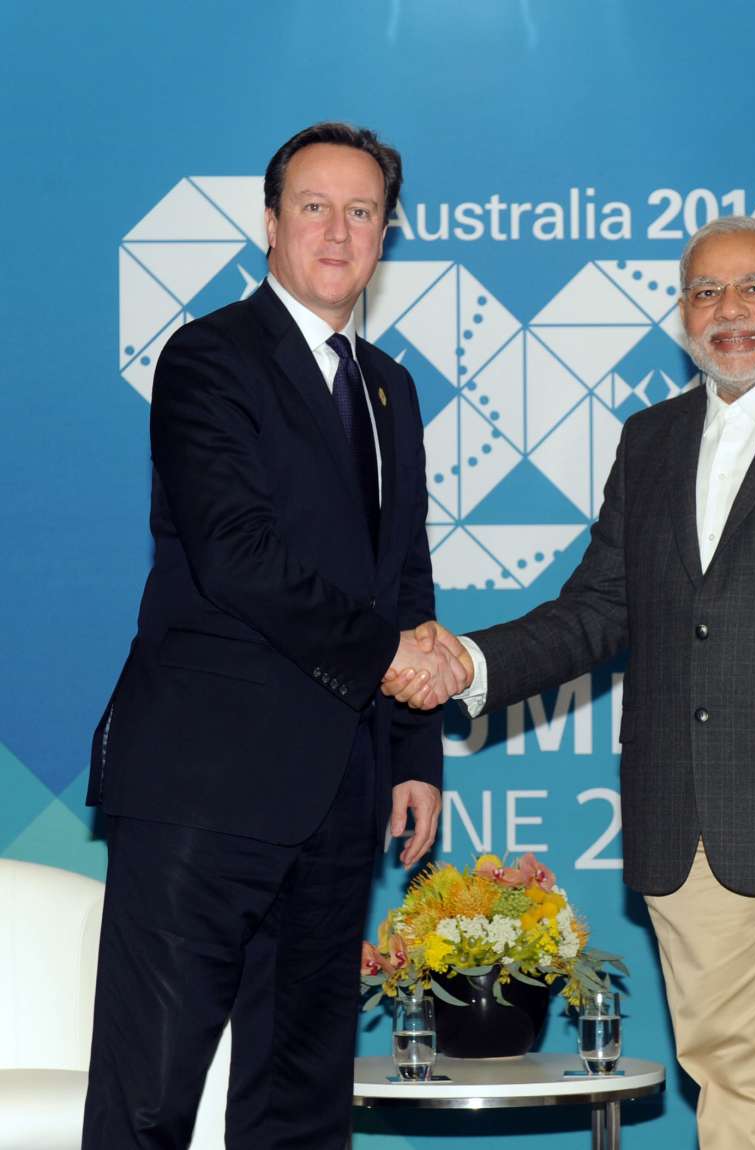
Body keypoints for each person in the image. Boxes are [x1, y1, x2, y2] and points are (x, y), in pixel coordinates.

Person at [391, 216, 755, 1149]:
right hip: (686, 837)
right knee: (739, 1095)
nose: (730, 311)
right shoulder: (650, 440)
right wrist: (470, 661)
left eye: (754, 288)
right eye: (706, 292)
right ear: (680, 315)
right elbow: (596, 611)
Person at [83, 122, 466, 1149]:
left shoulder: (392, 387)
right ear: (269, 223)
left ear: (388, 233)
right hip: (203, 793)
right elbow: (238, 554)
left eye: (362, 212)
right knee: (148, 1102)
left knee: (301, 1108)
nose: (338, 232)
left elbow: (405, 579)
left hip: (340, 797)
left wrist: (414, 753)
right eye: (314, 207)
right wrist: (391, 660)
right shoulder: (209, 358)